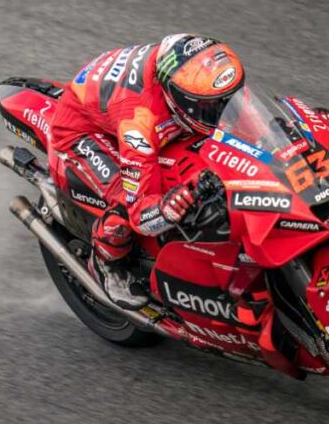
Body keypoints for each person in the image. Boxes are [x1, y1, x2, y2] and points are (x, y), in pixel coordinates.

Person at [48, 34, 246, 309]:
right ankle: (106, 262)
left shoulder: (189, 65)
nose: (222, 112)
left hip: (114, 102)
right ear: (179, 99)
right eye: (210, 107)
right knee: (124, 202)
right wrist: (169, 207)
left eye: (226, 100)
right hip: (82, 130)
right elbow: (141, 212)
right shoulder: (139, 123)